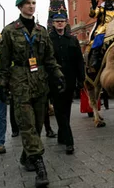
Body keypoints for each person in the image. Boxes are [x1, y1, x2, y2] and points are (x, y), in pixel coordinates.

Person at [0, 0, 65, 187]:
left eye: (34, 2)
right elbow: (4, 60)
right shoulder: (9, 31)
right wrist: (2, 82)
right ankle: (40, 165)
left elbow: (50, 58)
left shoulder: (42, 31)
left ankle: (27, 157)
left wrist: (58, 75)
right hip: (20, 82)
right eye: (27, 3)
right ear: (20, 7)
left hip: (40, 82)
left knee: (38, 126)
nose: (31, 6)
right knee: (27, 124)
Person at [49, 12, 85, 155]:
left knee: (67, 109)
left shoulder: (72, 39)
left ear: (66, 22)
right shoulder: (48, 39)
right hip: (55, 81)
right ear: (53, 23)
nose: (59, 23)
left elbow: (79, 61)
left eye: (62, 21)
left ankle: (62, 133)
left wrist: (81, 79)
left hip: (70, 80)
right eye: (57, 21)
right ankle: (69, 140)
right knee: (59, 109)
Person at [88, 0, 114, 71]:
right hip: (103, 28)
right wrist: (93, 7)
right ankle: (95, 57)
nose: (108, 3)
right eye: (107, 1)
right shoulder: (101, 10)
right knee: (99, 37)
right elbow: (93, 15)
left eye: (109, 1)